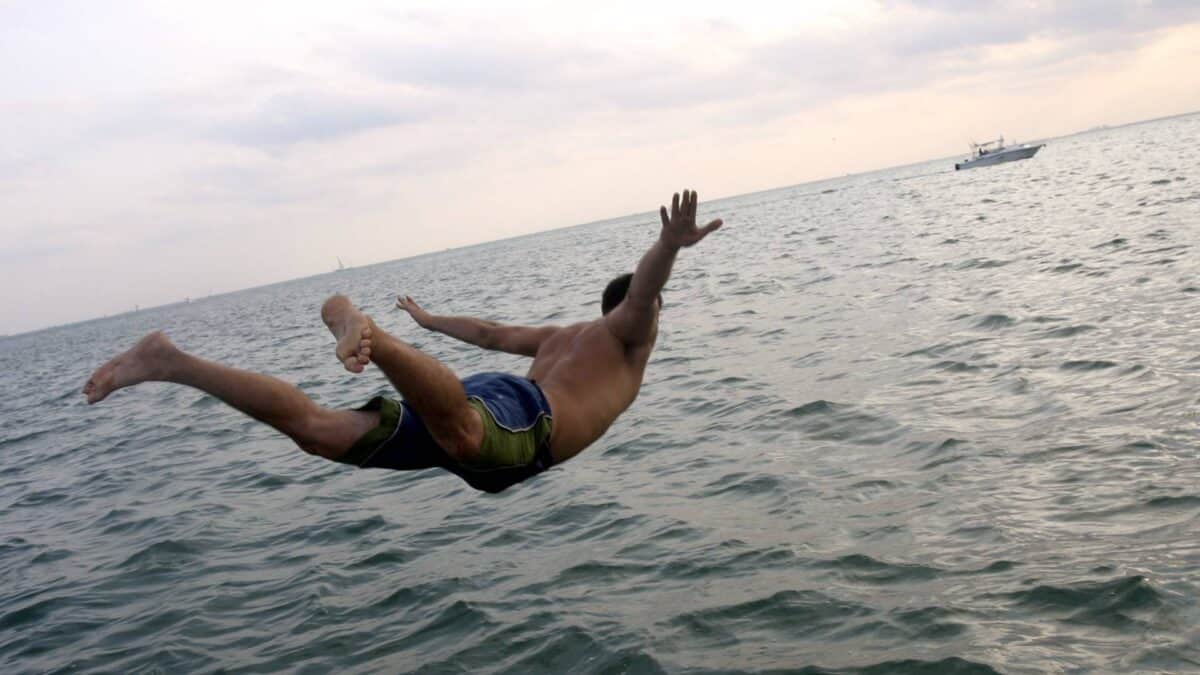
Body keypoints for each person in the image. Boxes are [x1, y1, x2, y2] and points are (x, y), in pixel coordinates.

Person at [83, 190, 723, 493]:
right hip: (522, 425)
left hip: (487, 402)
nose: (651, 319)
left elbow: (490, 333)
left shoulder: (562, 337)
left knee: (317, 432)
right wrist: (667, 247)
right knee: (467, 436)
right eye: (648, 309)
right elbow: (642, 295)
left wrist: (430, 320)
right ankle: (377, 341)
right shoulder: (630, 337)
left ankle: (171, 361)